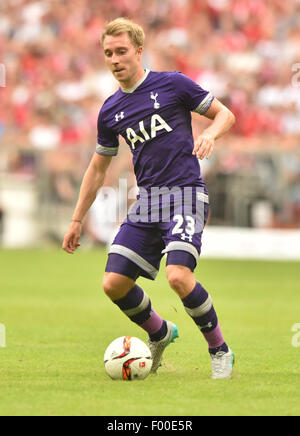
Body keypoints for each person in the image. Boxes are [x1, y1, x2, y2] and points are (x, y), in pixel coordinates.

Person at [62, 18, 236, 379]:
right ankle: (160, 332)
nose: (114, 59)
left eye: (122, 51)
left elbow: (225, 114)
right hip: (147, 202)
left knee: (178, 276)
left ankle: (220, 350)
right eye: (108, 53)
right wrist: (77, 219)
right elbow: (97, 169)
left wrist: (211, 135)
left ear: (139, 51)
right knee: (113, 284)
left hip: (186, 195)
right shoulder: (110, 111)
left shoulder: (171, 84)